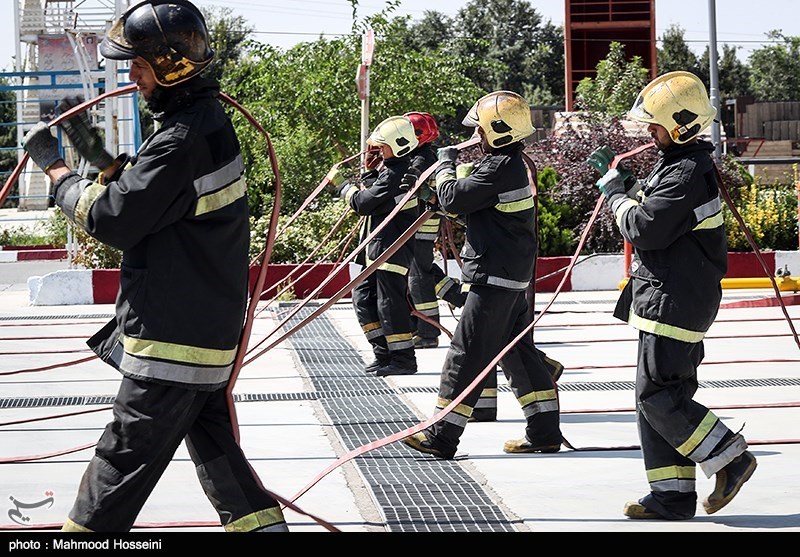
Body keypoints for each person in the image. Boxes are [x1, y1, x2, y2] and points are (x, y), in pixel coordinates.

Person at [22, 0, 288, 532]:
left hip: (173, 338)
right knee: (215, 448)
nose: (132, 77)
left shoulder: (182, 138)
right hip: (200, 328)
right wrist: (94, 157)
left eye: (139, 66)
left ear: (171, 65)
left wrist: (56, 171)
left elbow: (115, 218)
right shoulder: (199, 126)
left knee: (122, 457)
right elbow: (156, 198)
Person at [588, 70, 757, 520]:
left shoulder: (685, 172)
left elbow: (646, 228)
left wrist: (615, 196)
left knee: (656, 396)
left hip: (673, 301)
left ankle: (730, 456)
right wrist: (624, 181)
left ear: (680, 126)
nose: (649, 131)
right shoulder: (679, 167)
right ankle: (672, 496)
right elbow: (658, 208)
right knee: (660, 398)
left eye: (656, 124)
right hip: (669, 299)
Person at [402, 91, 563, 459]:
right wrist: (438, 195)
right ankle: (544, 430)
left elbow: (456, 198)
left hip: (494, 278)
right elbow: (477, 211)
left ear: (499, 132)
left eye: (480, 129)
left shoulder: (498, 167)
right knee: (518, 354)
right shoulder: (510, 165)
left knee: (465, 354)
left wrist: (445, 166)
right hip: (509, 276)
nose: (476, 135)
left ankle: (441, 436)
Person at [328, 115, 420, 377]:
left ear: (399, 145)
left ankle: (403, 359)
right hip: (376, 248)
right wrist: (370, 171)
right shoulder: (390, 170)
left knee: (390, 304)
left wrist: (341, 186)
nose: (378, 150)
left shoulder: (397, 173)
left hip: (391, 249)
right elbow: (377, 199)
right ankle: (383, 354)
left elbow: (362, 204)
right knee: (364, 298)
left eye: (383, 146)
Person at [402, 111, 468, 351]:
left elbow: (415, 186)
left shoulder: (421, 159)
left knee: (418, 279)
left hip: (419, 228)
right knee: (424, 272)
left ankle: (427, 333)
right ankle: (460, 297)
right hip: (418, 228)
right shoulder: (422, 155)